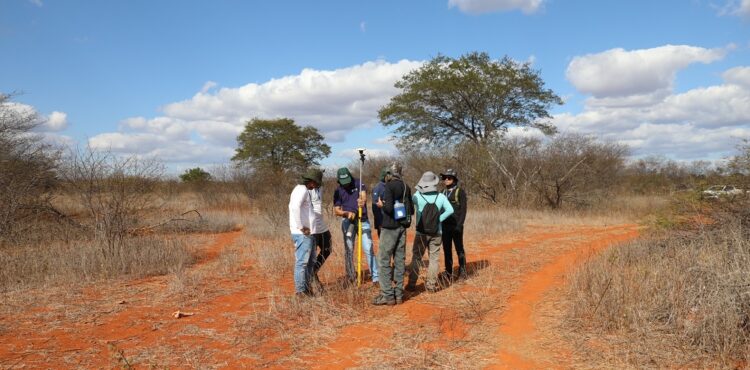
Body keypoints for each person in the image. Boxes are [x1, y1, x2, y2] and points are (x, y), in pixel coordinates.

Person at [372, 162, 413, 305]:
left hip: (389, 228)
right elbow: (411, 210)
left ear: (390, 174)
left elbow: (388, 208)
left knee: (383, 259)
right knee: (399, 260)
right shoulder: (406, 187)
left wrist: (381, 205)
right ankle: (399, 294)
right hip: (402, 227)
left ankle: (387, 295)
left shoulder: (389, 186)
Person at [406, 171, 454, 293]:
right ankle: (431, 286)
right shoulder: (441, 197)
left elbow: (411, 204)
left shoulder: (417, 196)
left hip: (421, 232)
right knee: (434, 259)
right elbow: (450, 210)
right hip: (437, 232)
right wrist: (439, 219)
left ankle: (411, 284)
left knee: (417, 258)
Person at [333, 167, 379, 286]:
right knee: (349, 250)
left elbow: (363, 197)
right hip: (348, 222)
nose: (346, 184)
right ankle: (351, 276)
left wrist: (362, 201)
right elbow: (337, 210)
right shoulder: (338, 191)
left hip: (362, 220)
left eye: (348, 181)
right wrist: (346, 213)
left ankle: (376, 278)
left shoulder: (359, 182)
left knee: (368, 248)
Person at [288, 168, 324, 297]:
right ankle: (300, 291)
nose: (316, 186)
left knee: (310, 262)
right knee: (302, 262)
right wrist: (301, 226)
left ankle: (307, 289)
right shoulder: (301, 190)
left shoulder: (303, 190)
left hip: (309, 233)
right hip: (303, 234)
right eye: (316, 183)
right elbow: (294, 207)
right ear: (312, 182)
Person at [440, 169, 468, 280]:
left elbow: (463, 210)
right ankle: (448, 272)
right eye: (444, 178)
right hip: (444, 226)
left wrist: (459, 225)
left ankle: (463, 272)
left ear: (454, 179)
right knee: (447, 250)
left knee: (459, 249)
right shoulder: (442, 192)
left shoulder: (460, 192)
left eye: (449, 178)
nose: (446, 180)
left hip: (456, 226)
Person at [371, 167, 389, 238]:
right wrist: (379, 221)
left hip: (389, 217)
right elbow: (374, 204)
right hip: (381, 218)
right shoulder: (378, 187)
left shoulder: (389, 185)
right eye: (387, 175)